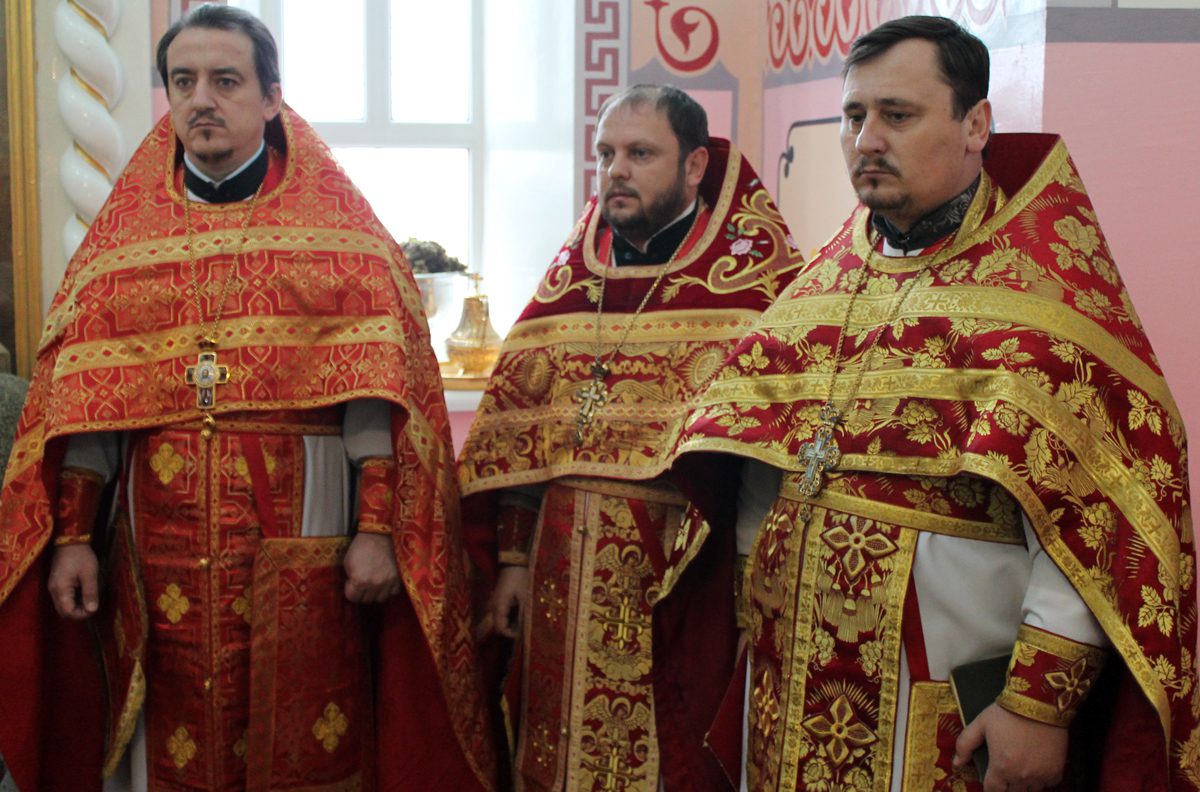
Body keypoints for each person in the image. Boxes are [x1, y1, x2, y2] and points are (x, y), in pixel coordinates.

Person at [673, 15, 1198, 792]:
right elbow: (758, 464)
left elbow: (1096, 518)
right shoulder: (817, 291)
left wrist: (1038, 705)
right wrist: (756, 608)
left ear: (975, 125)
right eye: (855, 116)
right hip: (789, 689)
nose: (867, 140)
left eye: (898, 115)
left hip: (943, 714)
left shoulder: (1043, 303)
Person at [0, 6, 495, 791]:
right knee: (170, 729)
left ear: (270, 98)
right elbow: (87, 402)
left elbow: (376, 396)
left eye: (225, 81)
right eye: (183, 82)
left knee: (306, 731)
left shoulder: (341, 234)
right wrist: (72, 536)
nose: (202, 99)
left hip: (305, 520)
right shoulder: (123, 244)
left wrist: (376, 530)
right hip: (155, 532)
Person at [457, 85, 806, 791]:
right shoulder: (570, 287)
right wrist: (515, 560)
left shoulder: (755, 294)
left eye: (640, 154)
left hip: (678, 579)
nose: (615, 170)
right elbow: (526, 438)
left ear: (695, 165)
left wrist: (751, 599)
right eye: (606, 153)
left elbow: (770, 468)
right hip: (558, 573)